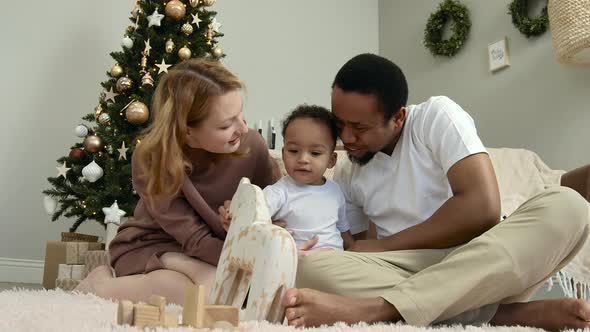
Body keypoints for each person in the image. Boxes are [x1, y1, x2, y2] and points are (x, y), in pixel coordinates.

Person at [282, 53, 590, 331]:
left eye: (359, 128)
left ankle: (378, 310)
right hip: (408, 270)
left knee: (570, 207)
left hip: (481, 259)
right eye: (339, 124)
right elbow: (358, 252)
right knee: (309, 267)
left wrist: (387, 246)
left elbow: (482, 209)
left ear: (398, 117)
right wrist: (288, 235)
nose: (346, 138)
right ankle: (499, 315)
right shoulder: (348, 170)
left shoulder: (435, 118)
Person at [75, 59, 281, 305]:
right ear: (187, 131)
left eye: (241, 114)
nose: (243, 128)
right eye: (226, 124)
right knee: (204, 294)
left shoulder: (253, 146)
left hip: (216, 250)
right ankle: (101, 285)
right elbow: (194, 239)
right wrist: (244, 261)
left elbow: (272, 211)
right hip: (152, 245)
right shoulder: (153, 158)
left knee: (218, 289)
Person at [261, 105, 354, 250]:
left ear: (331, 160)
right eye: (293, 151)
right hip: (298, 261)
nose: (303, 159)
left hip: (336, 260)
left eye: (315, 153)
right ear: (284, 153)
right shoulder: (279, 192)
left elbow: (344, 232)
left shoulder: (335, 191)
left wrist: (356, 253)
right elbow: (253, 218)